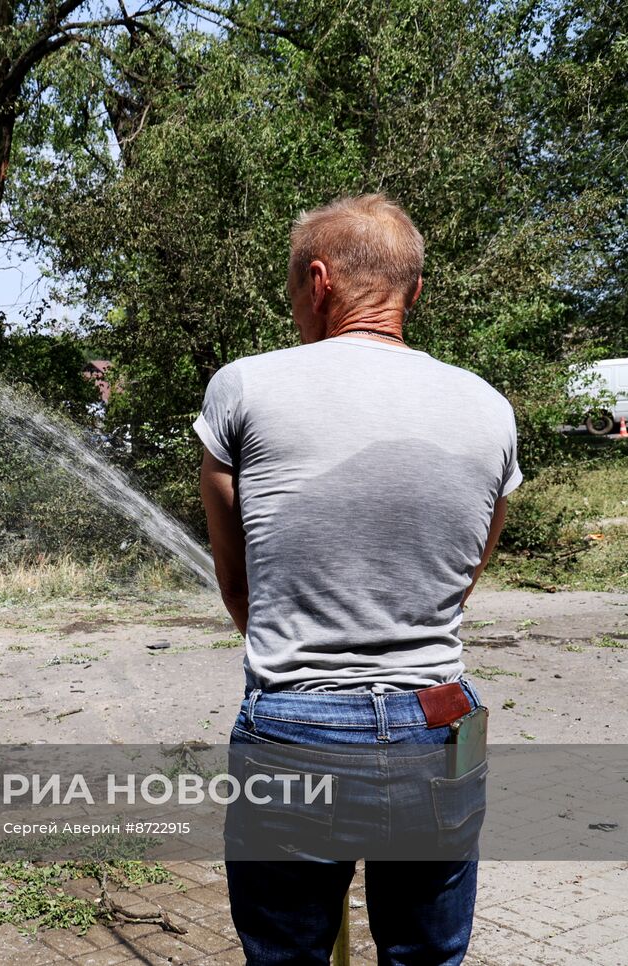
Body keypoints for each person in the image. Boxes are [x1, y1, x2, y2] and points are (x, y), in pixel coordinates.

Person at [195, 194, 519, 965]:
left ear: (319, 280)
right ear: (414, 291)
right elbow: (465, 578)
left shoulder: (244, 388)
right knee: (427, 957)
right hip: (439, 725)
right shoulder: (490, 408)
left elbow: (241, 591)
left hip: (294, 733)